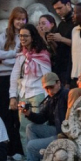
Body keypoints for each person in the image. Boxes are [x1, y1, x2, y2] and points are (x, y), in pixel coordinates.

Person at [10, 24, 53, 153]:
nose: (22, 38)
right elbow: (14, 76)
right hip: (23, 95)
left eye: (25, 36)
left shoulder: (42, 54)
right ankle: (28, 159)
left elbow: (47, 77)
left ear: (33, 37)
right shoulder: (21, 56)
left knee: (37, 127)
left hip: (38, 95)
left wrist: (47, 98)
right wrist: (12, 97)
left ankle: (41, 158)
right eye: (20, 35)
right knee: (23, 128)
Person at [0, 6, 27, 151]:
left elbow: (22, 58)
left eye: (23, 19)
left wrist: (5, 59)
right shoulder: (5, 36)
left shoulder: (26, 35)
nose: (20, 22)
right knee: (5, 114)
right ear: (12, 20)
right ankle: (10, 149)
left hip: (20, 78)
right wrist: (12, 54)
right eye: (17, 19)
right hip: (4, 78)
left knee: (18, 114)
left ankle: (20, 149)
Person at [22, 72, 69, 161]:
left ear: (58, 83)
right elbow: (42, 118)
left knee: (31, 145)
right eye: (46, 88)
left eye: (51, 87)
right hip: (55, 130)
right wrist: (28, 114)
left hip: (62, 134)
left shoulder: (66, 95)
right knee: (30, 127)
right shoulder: (51, 99)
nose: (49, 91)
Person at [50, 0, 74, 84]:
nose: (58, 12)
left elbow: (79, 44)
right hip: (60, 66)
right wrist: (52, 41)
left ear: (68, 4)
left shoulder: (76, 22)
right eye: (55, 9)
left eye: (60, 8)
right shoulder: (61, 24)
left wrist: (61, 39)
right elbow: (58, 48)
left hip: (71, 66)